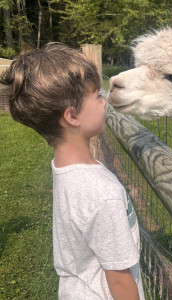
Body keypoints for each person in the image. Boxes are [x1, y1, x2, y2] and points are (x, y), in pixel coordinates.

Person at [1, 43, 144, 300]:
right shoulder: (103, 194)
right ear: (73, 116)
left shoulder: (64, 169)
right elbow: (121, 284)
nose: (104, 101)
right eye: (97, 96)